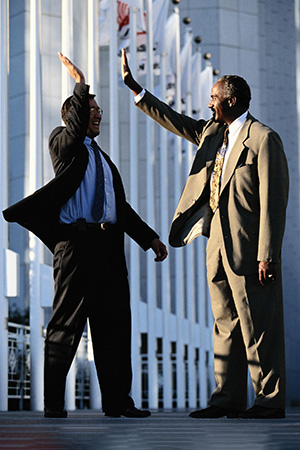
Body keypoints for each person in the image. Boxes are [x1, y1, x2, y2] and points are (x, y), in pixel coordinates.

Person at [121, 48, 289, 419]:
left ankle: (268, 400)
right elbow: (174, 120)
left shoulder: (263, 139)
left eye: (213, 98)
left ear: (231, 100)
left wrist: (267, 253)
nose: (208, 104)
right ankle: (225, 399)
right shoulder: (212, 132)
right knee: (224, 323)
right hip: (215, 242)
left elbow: (274, 202)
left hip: (250, 249)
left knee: (258, 325)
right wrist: (136, 89)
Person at [3, 52, 167, 419]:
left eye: (99, 111)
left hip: (109, 248)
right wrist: (80, 81)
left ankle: (117, 402)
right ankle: (54, 405)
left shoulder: (104, 161)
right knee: (65, 325)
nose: (98, 115)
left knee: (114, 327)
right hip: (75, 246)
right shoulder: (63, 144)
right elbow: (75, 130)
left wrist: (149, 238)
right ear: (74, 114)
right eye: (91, 109)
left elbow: (118, 209)